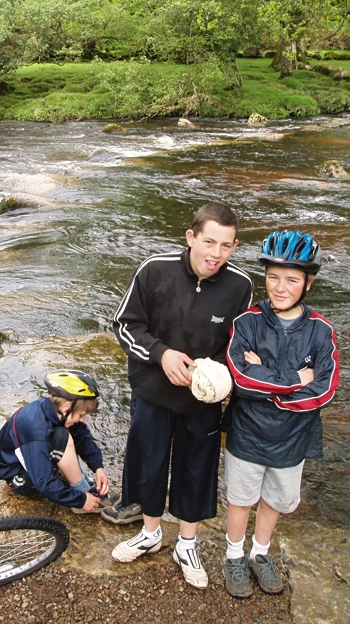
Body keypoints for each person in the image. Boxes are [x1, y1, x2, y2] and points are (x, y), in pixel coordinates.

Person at [107, 202, 253, 589]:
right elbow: (125, 325)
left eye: (225, 245)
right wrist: (162, 354)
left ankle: (186, 543)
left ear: (235, 245)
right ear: (190, 237)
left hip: (202, 400)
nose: (215, 254)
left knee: (196, 467)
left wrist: (218, 372)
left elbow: (238, 344)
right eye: (208, 242)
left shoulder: (241, 286)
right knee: (148, 461)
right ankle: (150, 532)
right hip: (152, 391)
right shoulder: (153, 270)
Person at [222, 229, 339, 598]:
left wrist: (269, 390)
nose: (280, 287)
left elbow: (325, 388)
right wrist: (293, 380)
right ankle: (233, 555)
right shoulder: (247, 323)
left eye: (292, 279)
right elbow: (239, 378)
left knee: (274, 499)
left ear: (308, 283)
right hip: (247, 433)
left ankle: (260, 553)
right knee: (241, 498)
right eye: (273, 277)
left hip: (293, 437)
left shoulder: (321, 331)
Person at [0, 369, 120, 514]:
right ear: (66, 407)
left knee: (69, 432)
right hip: (17, 477)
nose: (82, 419)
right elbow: (43, 482)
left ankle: (84, 484)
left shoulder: (54, 411)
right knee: (62, 438)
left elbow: (82, 436)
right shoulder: (36, 430)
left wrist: (98, 467)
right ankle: (82, 492)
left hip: (32, 461)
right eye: (82, 414)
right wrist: (81, 500)